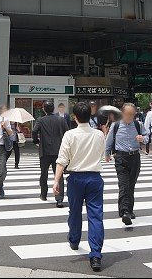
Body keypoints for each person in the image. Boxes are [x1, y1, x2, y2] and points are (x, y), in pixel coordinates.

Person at [53, 102, 106, 272]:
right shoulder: (99, 135)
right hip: (94, 178)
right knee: (95, 215)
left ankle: (74, 240)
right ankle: (96, 254)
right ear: (89, 116)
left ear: (75, 117)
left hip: (75, 178)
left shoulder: (70, 135)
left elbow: (62, 159)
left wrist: (56, 180)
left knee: (75, 211)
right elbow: (101, 154)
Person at [105, 102, 148, 225]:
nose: (130, 118)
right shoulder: (116, 125)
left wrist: (143, 139)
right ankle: (125, 212)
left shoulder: (138, 124)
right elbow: (109, 140)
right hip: (121, 157)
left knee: (131, 185)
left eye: (132, 115)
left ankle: (129, 209)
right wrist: (107, 153)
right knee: (124, 185)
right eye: (128, 115)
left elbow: (146, 137)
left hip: (134, 157)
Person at [32, 100, 69, 208]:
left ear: (44, 109)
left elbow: (34, 131)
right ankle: (59, 199)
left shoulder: (41, 120)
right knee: (58, 175)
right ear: (54, 109)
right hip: (58, 151)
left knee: (44, 173)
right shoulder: (61, 120)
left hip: (44, 151)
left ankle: (43, 194)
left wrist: (36, 141)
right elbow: (67, 133)